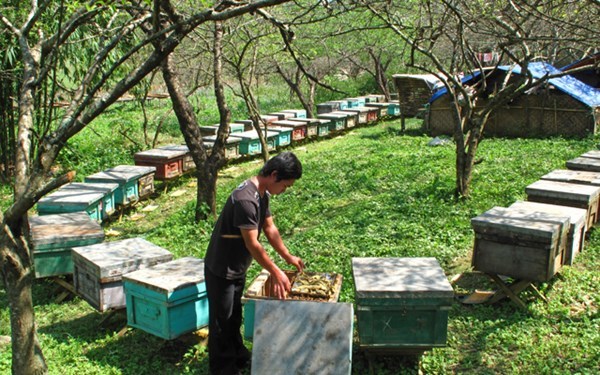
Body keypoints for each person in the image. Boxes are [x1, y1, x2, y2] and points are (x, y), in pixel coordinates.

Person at [204, 151, 305, 375]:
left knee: (234, 315)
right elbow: (253, 244)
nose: (284, 190)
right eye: (285, 185)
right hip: (222, 268)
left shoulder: (262, 193)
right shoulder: (245, 199)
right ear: (274, 175)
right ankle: (223, 368)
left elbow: (269, 228)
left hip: (236, 266)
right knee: (222, 321)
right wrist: (276, 271)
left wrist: (287, 256)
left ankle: (238, 355)